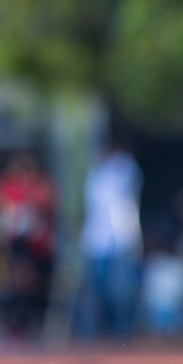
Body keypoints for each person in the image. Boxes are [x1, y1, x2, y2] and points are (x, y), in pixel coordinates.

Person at [78, 142, 143, 338]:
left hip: (120, 241)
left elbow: (129, 172)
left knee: (121, 292)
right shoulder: (95, 175)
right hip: (96, 243)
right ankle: (97, 332)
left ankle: (121, 332)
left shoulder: (123, 170)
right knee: (96, 291)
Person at [0, 152, 58, 336]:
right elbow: (0, 207)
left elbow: (49, 204)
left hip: (39, 247)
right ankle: (17, 319)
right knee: (18, 279)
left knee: (30, 282)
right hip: (18, 243)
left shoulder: (41, 185)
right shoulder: (8, 187)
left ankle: (25, 318)